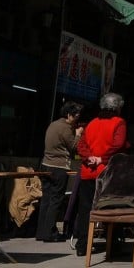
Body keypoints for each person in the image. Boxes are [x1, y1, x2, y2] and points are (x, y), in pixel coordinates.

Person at [74, 93, 128, 257]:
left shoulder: (91, 123)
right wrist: (101, 158)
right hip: (108, 172)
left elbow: (81, 145)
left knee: (85, 209)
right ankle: (113, 243)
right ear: (117, 107)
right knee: (112, 207)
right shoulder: (119, 122)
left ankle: (82, 245)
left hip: (88, 172)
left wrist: (89, 157)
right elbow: (118, 145)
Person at [36, 101, 82, 242]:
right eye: (75, 116)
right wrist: (78, 134)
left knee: (46, 199)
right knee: (56, 200)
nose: (77, 119)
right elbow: (74, 147)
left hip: (45, 165)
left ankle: (41, 232)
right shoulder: (65, 128)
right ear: (68, 115)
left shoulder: (53, 124)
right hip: (59, 167)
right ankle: (50, 232)